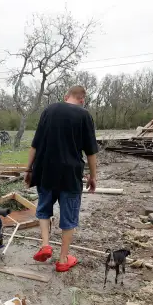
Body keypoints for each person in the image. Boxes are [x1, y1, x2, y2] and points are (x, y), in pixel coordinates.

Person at [24, 85, 98, 272]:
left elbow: (35, 144)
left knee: (43, 209)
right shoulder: (84, 115)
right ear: (82, 99)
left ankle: (45, 245)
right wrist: (93, 177)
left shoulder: (49, 110)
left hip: (45, 170)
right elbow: (90, 151)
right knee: (69, 217)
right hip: (70, 175)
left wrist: (28, 169)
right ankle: (63, 259)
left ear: (66, 97)